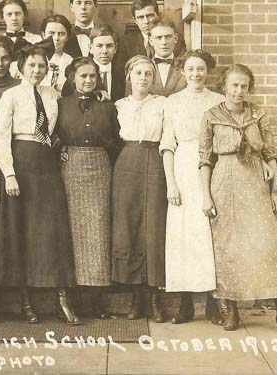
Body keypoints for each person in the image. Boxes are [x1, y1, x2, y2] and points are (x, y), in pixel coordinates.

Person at [199, 64, 277, 333]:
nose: (239, 91)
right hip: (224, 181)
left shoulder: (258, 114)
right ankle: (231, 311)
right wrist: (206, 195)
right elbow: (204, 159)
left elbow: (270, 155)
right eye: (234, 85)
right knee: (228, 246)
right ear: (224, 87)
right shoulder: (211, 116)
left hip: (255, 181)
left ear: (249, 87)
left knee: (268, 245)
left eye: (244, 86)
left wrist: (275, 193)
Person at [0, 45, 80, 325]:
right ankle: (26, 301)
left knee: (53, 231)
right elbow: (1, 138)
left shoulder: (53, 94)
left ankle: (61, 300)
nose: (36, 71)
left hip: (47, 165)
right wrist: (8, 174)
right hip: (21, 162)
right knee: (23, 231)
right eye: (31, 65)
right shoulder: (10, 96)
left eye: (42, 66)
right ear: (21, 67)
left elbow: (65, 122)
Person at [160, 50, 225, 325]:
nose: (196, 74)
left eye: (200, 69)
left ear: (207, 71)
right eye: (190, 69)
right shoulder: (172, 102)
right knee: (183, 236)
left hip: (214, 168)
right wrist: (171, 183)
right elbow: (167, 145)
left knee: (212, 234)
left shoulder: (219, 101)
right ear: (182, 71)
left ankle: (213, 301)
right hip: (183, 169)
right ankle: (184, 303)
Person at [56, 57, 121, 319]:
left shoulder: (107, 106)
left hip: (100, 167)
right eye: (82, 76)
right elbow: (51, 132)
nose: (87, 80)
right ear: (73, 78)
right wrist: (61, 147)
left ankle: (98, 300)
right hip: (71, 167)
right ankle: (74, 297)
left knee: (98, 231)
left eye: (92, 76)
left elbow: (117, 138)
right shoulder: (61, 105)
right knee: (73, 231)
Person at [111, 55, 167, 323]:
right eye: (138, 73)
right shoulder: (119, 106)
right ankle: (135, 298)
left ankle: (155, 299)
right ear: (129, 77)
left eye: (148, 73)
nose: (143, 78)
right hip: (127, 164)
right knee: (129, 227)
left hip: (155, 161)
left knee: (154, 228)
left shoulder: (164, 105)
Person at [64, 0, 128, 71]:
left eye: (88, 3)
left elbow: (117, 68)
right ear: (71, 7)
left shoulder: (110, 37)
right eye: (78, 3)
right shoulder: (63, 37)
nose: (83, 7)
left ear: (95, 6)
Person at [120, 0, 186, 59]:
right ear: (135, 20)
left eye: (150, 16)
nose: (146, 21)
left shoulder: (175, 40)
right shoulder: (126, 42)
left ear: (158, 15)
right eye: (141, 17)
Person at [149, 19, 186, 97]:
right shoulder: (142, 68)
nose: (164, 42)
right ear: (151, 41)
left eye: (168, 37)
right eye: (159, 38)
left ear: (175, 38)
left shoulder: (186, 68)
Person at [39, 14, 73, 92]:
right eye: (51, 33)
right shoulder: (35, 58)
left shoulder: (70, 62)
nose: (56, 38)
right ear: (43, 34)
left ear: (67, 37)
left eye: (61, 34)